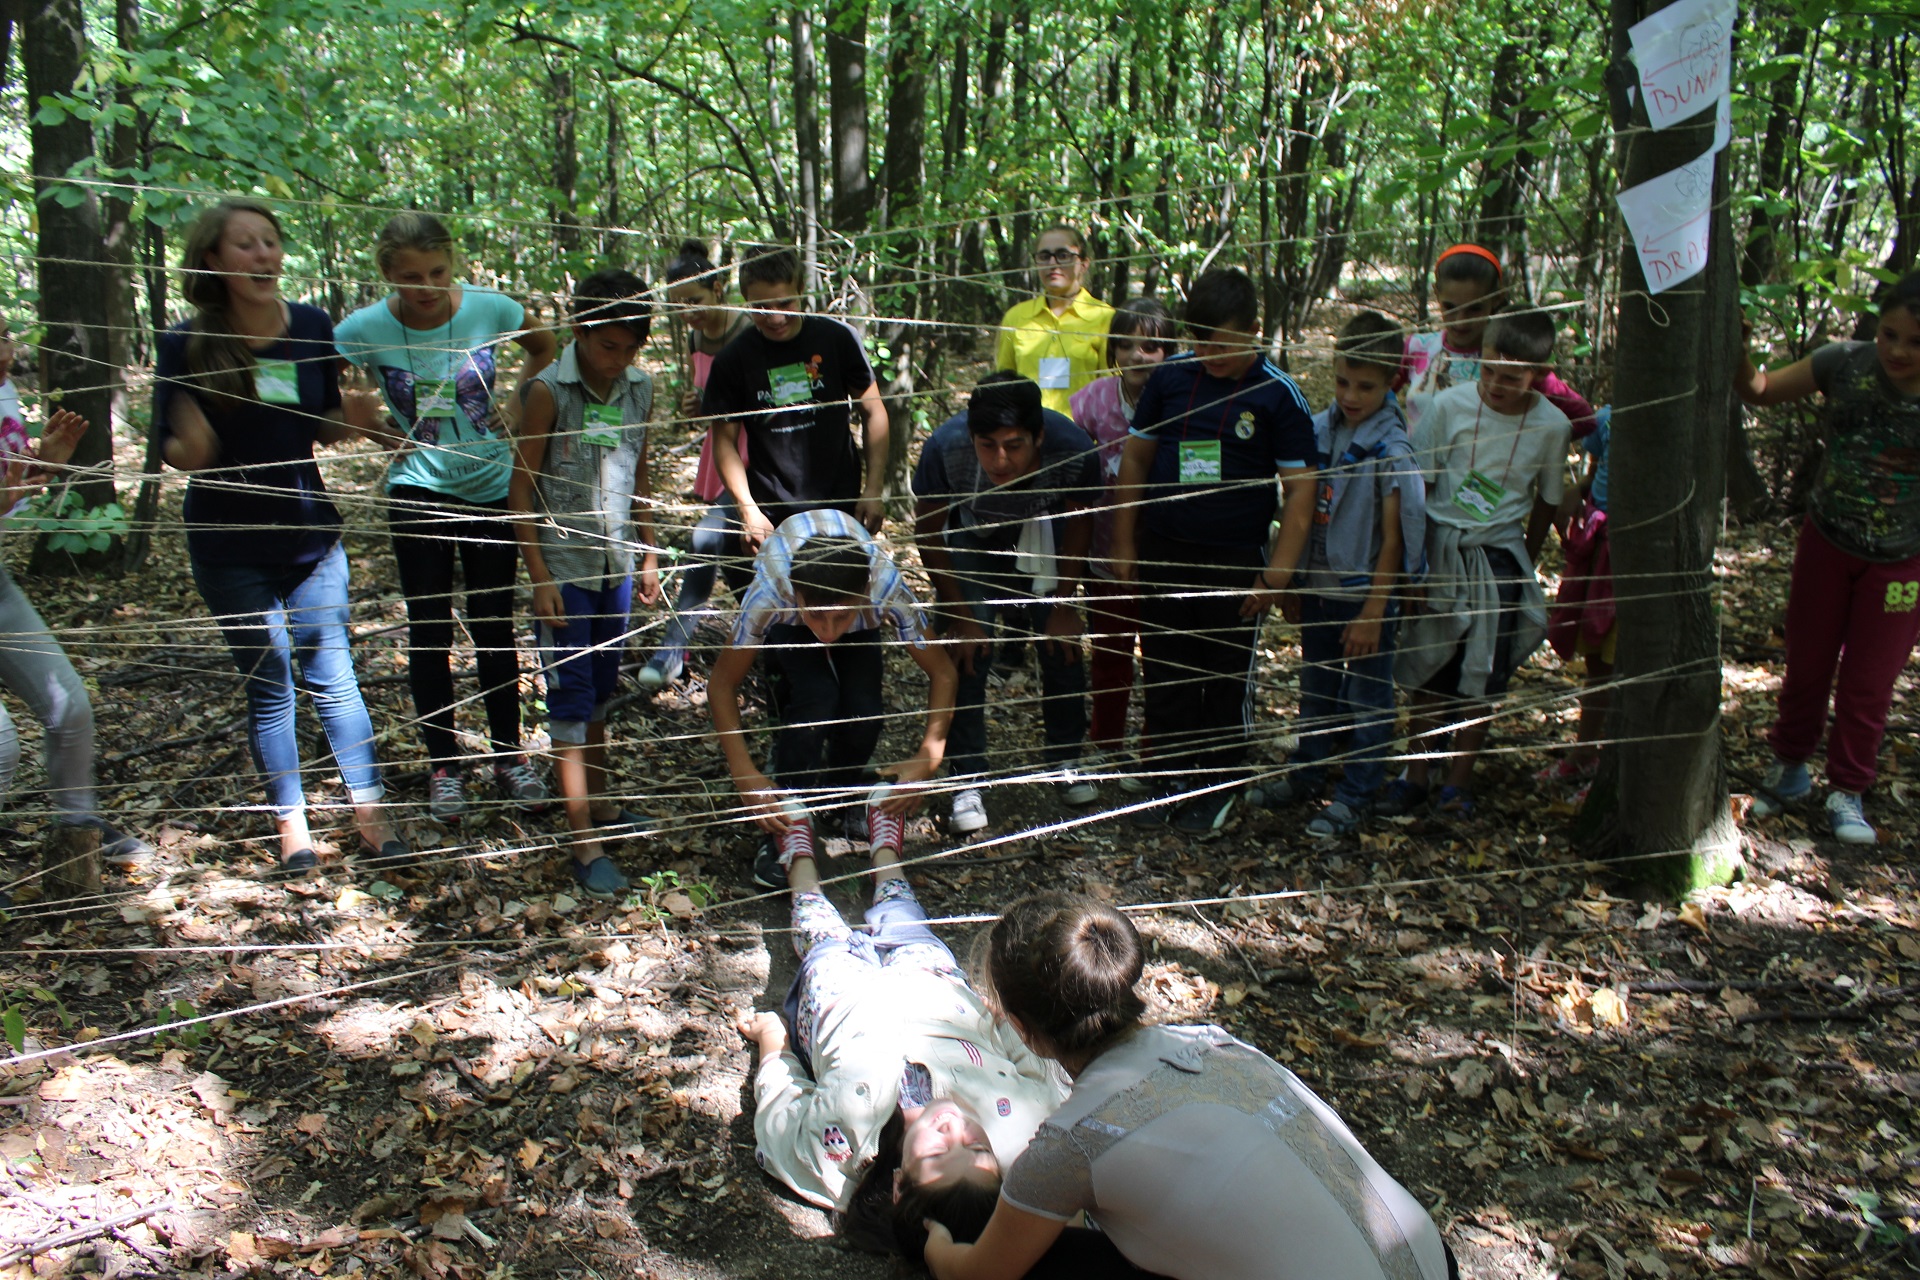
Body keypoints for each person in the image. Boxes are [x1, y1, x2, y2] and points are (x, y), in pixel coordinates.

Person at [920, 892, 1456, 1280]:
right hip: (1433, 1262)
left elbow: (980, 1276)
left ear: (1024, 1030)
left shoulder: (1070, 1144)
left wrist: (940, 1249)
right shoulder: (1213, 1040)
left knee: (1050, 1257)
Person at [741, 844, 1161, 1279]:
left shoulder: (834, 1154)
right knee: (903, 917)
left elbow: (779, 1113)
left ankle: (799, 853)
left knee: (819, 931)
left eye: (940, 1151)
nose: (954, 1129)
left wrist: (773, 1042)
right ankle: (884, 849)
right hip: (938, 989)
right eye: (977, 1148)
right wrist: (1001, 1022)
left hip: (839, 1001)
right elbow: (1037, 1059)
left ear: (900, 1184)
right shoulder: (1029, 1124)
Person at [156, 199, 408, 874]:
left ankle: (371, 811)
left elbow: (323, 425)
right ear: (212, 260)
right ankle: (292, 828)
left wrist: (361, 418)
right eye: (245, 245)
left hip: (310, 538)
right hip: (228, 544)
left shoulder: (311, 326)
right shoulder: (185, 343)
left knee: (334, 676)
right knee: (270, 685)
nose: (263, 255)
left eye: (270, 242)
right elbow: (174, 451)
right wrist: (196, 440)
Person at [335, 212, 557, 824]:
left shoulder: (488, 308)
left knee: (492, 625)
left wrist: (519, 399)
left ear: (451, 264)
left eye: (437, 272)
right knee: (428, 629)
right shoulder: (364, 328)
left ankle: (509, 757)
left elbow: (544, 344)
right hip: (417, 491)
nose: (426, 287)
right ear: (387, 274)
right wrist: (371, 427)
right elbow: (325, 387)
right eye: (410, 277)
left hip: (488, 488)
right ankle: (443, 767)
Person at [1109, 268, 1316, 834]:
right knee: (1168, 669)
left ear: (1255, 331)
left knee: (1225, 678)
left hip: (1234, 560)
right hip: (1165, 550)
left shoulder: (1279, 395)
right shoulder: (1171, 378)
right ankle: (1169, 779)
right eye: (1200, 342)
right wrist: (1126, 542)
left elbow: (1301, 492)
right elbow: (1136, 461)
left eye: (1223, 344)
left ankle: (1218, 786)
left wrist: (1275, 578)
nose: (1211, 355)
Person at [1736, 270, 1920, 845]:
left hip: (1902, 561)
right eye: (1890, 334)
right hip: (1828, 542)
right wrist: (1738, 350)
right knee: (1807, 663)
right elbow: (1760, 390)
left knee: (1869, 681)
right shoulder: (1845, 362)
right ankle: (1789, 769)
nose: (1897, 350)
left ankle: (1848, 791)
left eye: (1916, 342)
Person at [508, 270, 663, 899]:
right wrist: (539, 576)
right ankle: (583, 844)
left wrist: (648, 551)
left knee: (602, 689)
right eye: (608, 346)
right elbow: (521, 490)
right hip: (565, 572)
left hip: (615, 566)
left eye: (631, 349)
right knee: (570, 701)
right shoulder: (548, 392)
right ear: (581, 331)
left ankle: (599, 804)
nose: (618, 360)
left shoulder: (638, 390)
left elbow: (641, 470)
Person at [1387, 308, 1572, 818]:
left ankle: (1459, 782)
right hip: (1442, 549)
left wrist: (1523, 561)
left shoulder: (1551, 425)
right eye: (1488, 369)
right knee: (1430, 667)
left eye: (1510, 377)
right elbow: (1419, 484)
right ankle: (1417, 773)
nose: (1494, 384)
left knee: (1484, 675)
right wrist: (1414, 563)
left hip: (1499, 559)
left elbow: (1547, 501)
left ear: (1538, 373)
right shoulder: (1450, 405)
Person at [707, 511, 955, 889]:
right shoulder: (772, 591)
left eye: (839, 617)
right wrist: (745, 777)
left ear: (864, 593)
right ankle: (784, 819)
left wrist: (930, 754)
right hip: (792, 624)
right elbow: (722, 684)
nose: (827, 631)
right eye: (818, 616)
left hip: (858, 617)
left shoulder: (885, 587)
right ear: (796, 593)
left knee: (864, 711)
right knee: (815, 700)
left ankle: (842, 796)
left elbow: (942, 671)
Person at [913, 374, 1102, 834]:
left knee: (1062, 646)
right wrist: (960, 615)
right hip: (972, 535)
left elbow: (1080, 522)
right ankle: (967, 777)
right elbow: (929, 530)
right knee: (968, 649)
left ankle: (1064, 761)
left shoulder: (1074, 447)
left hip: (1043, 529)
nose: (1000, 459)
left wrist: (1064, 602)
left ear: (1039, 437)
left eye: (1015, 446)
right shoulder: (945, 447)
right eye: (987, 445)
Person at [1263, 312, 1426, 836]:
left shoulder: (1392, 451)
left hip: (1364, 599)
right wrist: (1292, 581)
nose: (1351, 395)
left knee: (1368, 699)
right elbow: (1301, 510)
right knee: (1316, 688)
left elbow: (1395, 539)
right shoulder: (1318, 430)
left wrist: (1375, 611)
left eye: (1366, 386)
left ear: (1392, 381)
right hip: (1321, 589)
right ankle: (1308, 772)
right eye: (1341, 382)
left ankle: (1356, 793)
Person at [0, 388, 151, 901]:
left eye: (5, 334)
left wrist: (39, 464)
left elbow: (7, 494)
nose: (6, 350)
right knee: (1, 746)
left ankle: (77, 823)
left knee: (71, 709)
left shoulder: (4, 395)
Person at [703, 248, 888, 554]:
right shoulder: (732, 360)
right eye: (761, 307)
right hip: (771, 510)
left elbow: (873, 410)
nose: (775, 317)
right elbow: (723, 441)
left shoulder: (837, 338)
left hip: (841, 502)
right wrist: (748, 510)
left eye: (785, 303)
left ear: (801, 291)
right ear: (746, 301)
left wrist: (873, 488)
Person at [638, 239, 755, 691]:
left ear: (719, 289)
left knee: (706, 539)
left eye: (696, 301)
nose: (690, 311)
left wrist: (715, 404)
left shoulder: (747, 329)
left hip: (752, 458)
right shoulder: (693, 337)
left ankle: (671, 650)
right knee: (735, 559)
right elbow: (706, 398)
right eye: (680, 305)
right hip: (719, 455)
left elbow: (754, 400)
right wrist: (694, 404)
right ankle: (769, 639)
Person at [1068, 298, 1175, 787]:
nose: (1137, 355)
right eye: (1126, 344)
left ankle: (1155, 749)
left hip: (1168, 552)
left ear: (1169, 351)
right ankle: (1105, 746)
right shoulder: (1090, 401)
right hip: (1105, 551)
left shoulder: (1186, 397)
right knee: (1111, 654)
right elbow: (1073, 476)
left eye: (1150, 346)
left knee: (1161, 654)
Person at [1399, 243, 1597, 438]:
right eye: (1450, 307)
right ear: (1436, 293)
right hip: (1413, 468)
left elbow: (1583, 418)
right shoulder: (1417, 347)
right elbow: (1373, 388)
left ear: (1496, 299)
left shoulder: (1510, 359)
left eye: (1474, 309)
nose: (1460, 320)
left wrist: (1532, 446)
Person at [1541, 403, 1616, 795]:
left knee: (1624, 658)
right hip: (1599, 550)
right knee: (1598, 655)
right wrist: (1579, 492)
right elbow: (1595, 472)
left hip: (1638, 552)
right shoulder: (1606, 420)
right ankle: (1586, 753)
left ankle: (1619, 764)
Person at [996, 224, 1115, 419]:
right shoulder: (1016, 317)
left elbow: (1113, 389)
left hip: (1082, 437)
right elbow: (1003, 385)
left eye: (1063, 255)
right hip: (1026, 435)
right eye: (1044, 256)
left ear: (1084, 263)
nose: (1053, 263)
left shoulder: (1104, 317)